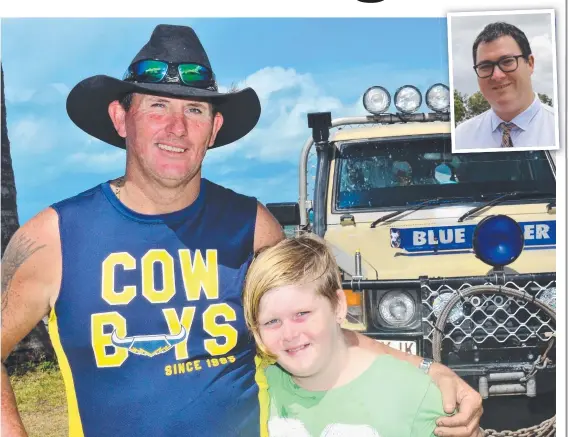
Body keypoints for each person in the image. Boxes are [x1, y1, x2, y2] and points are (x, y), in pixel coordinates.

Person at [1, 24, 482, 437]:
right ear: (120, 117)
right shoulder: (55, 237)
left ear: (214, 129)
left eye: (194, 111)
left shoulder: (251, 225)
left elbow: (318, 324)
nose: (176, 127)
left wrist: (429, 368)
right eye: (156, 106)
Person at [244, 235, 482, 437]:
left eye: (302, 314)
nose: (289, 334)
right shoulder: (257, 385)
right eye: (272, 322)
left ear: (338, 306)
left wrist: (432, 370)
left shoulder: (416, 395)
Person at [454, 22, 556, 150]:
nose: (497, 75)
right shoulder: (462, 138)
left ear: (530, 64)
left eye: (507, 61)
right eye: (485, 66)